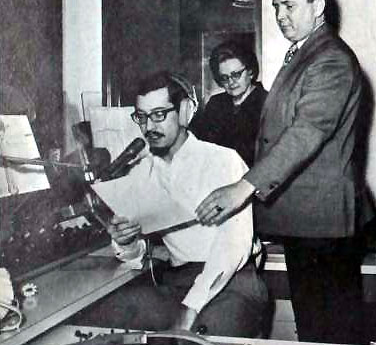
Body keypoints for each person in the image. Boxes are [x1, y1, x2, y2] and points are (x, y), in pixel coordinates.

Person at [195, 0, 372, 344]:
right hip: (307, 222)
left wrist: (244, 187)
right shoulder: (306, 54)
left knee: (332, 332)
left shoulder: (330, 59)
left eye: (289, 6)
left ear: (318, 5)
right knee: (315, 328)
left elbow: (306, 132)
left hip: (323, 222)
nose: (279, 16)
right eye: (276, 7)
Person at [75, 71, 270, 337]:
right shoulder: (141, 172)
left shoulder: (224, 161)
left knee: (198, 338)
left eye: (159, 114)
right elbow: (136, 258)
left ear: (185, 111)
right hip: (177, 282)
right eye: (141, 117)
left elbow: (233, 247)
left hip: (233, 281)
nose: (149, 127)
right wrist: (126, 241)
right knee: (98, 323)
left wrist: (190, 308)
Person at [190, 41, 267, 167]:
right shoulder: (215, 104)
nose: (231, 82)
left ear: (251, 71)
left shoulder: (267, 102)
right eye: (224, 78)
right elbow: (201, 144)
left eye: (236, 75)